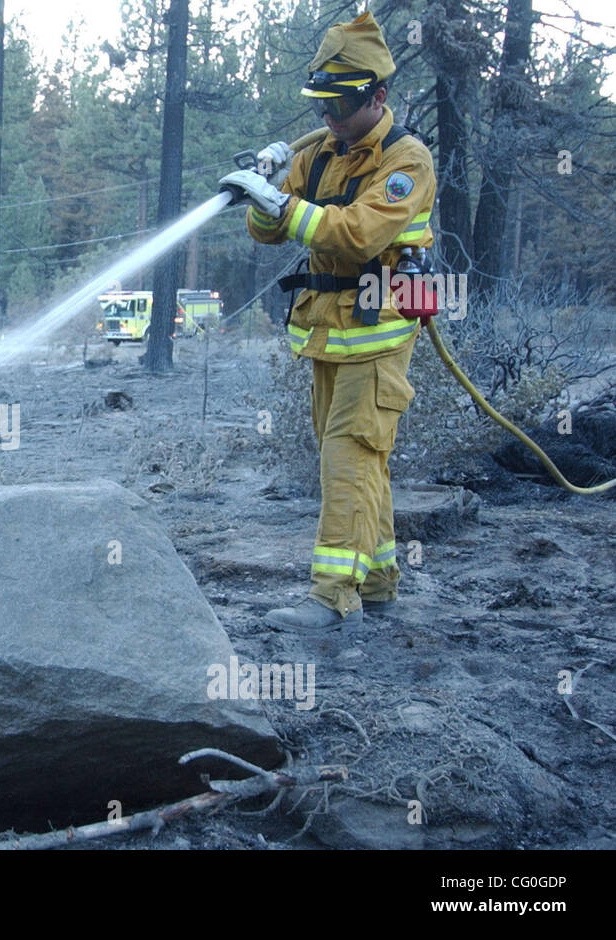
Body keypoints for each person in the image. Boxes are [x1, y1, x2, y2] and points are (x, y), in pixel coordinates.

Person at [217, 10, 436, 633]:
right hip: (326, 332)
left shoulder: (407, 161)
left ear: (380, 94)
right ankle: (382, 580)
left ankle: (331, 598)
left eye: (341, 107)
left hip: (379, 336)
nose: (330, 120)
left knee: (348, 456)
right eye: (323, 107)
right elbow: (268, 232)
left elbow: (359, 236)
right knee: (363, 459)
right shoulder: (318, 151)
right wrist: (263, 190)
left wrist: (284, 204)